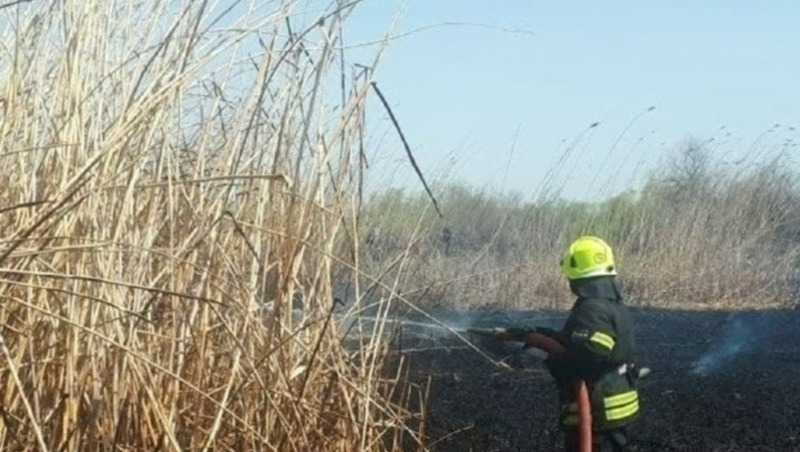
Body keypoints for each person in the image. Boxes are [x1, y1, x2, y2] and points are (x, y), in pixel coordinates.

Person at [540, 236, 641, 452]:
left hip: (598, 413)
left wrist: (555, 363)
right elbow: (592, 346)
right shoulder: (612, 305)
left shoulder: (592, 309)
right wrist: (547, 336)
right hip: (616, 406)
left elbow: (587, 358)